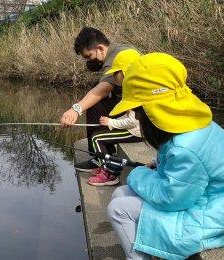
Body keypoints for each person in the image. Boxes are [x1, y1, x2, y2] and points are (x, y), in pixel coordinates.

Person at [107, 52, 224, 260]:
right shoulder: (194, 124)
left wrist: (137, 174)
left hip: (211, 214)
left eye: (138, 112)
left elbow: (171, 199)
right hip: (206, 199)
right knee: (120, 194)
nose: (137, 118)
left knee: (119, 208)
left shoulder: (186, 148)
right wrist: (158, 164)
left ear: (154, 112)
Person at [60, 26, 141, 172]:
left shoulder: (116, 57)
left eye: (89, 56)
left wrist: (75, 110)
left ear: (100, 48)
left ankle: (99, 158)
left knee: (94, 105)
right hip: (134, 107)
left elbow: (102, 89)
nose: (89, 61)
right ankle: (105, 153)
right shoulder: (120, 48)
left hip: (140, 116)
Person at [85, 52, 143, 186]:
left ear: (125, 72)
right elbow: (130, 116)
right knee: (100, 134)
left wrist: (111, 122)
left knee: (96, 138)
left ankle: (109, 173)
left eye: (115, 73)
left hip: (136, 131)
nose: (113, 77)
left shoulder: (134, 92)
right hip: (135, 128)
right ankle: (105, 166)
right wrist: (111, 123)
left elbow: (133, 121)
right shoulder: (135, 87)